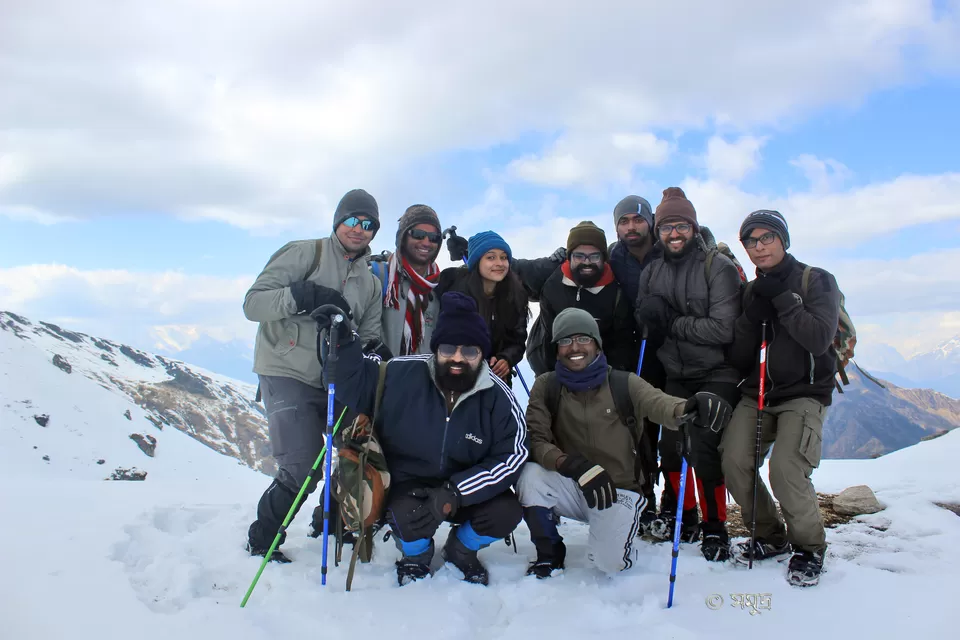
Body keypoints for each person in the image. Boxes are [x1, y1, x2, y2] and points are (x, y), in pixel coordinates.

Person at [316, 291, 528, 586]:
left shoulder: (497, 395)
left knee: (506, 512)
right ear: (436, 348)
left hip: (468, 489)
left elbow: (513, 454)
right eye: (448, 349)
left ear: (481, 354)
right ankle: (415, 556)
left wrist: (456, 492)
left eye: (469, 351)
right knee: (403, 514)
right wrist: (343, 342)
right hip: (411, 487)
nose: (457, 358)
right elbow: (353, 382)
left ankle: (462, 550)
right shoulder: (400, 372)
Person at [518, 308, 732, 577]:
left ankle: (621, 538)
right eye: (565, 341)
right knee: (529, 475)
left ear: (597, 344)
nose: (575, 347)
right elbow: (536, 440)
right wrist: (571, 465)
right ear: (556, 348)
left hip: (618, 491)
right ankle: (549, 552)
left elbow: (660, 403)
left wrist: (690, 407)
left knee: (608, 564)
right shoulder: (546, 386)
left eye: (583, 339)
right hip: (574, 482)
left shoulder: (623, 383)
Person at [241, 188, 384, 563]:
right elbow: (253, 304)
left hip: (336, 379)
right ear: (338, 221)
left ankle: (337, 522)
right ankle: (263, 538)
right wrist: (301, 296)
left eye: (368, 224)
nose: (359, 229)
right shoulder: (306, 253)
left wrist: (376, 354)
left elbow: (368, 338)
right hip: (287, 369)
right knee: (303, 463)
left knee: (364, 447)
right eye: (352, 220)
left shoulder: (370, 282)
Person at [720, 210, 841, 587]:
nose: (759, 247)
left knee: (786, 469)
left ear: (783, 240)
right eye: (750, 241)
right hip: (757, 392)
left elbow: (819, 339)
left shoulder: (815, 280)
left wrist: (785, 301)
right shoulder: (752, 291)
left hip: (804, 393)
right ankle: (769, 535)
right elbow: (741, 356)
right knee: (735, 461)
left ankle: (809, 547)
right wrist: (748, 320)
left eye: (766, 238)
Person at [634, 187, 742, 562]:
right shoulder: (652, 271)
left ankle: (716, 527)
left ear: (694, 228)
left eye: (681, 226)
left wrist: (671, 322)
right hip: (675, 372)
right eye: (666, 227)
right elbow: (646, 323)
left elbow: (723, 330)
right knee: (671, 449)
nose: (674, 234)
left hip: (718, 372)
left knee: (704, 447)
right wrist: (646, 316)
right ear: (657, 231)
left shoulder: (718, 268)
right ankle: (687, 515)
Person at [607, 195, 667, 525]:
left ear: (650, 222)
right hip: (634, 353)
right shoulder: (614, 257)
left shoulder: (668, 250)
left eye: (637, 219)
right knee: (638, 432)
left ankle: (675, 503)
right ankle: (644, 500)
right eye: (624, 221)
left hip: (672, 354)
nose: (631, 226)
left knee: (669, 431)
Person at [534, 221, 638, 375]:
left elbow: (621, 345)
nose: (587, 262)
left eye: (594, 256)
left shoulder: (616, 293)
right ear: (569, 257)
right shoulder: (553, 285)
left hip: (602, 369)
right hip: (556, 366)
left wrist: (611, 381)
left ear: (604, 258)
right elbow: (550, 337)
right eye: (579, 256)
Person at [434, 231, 529, 386]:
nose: (499, 263)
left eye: (504, 257)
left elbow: (517, 340)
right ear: (477, 261)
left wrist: (506, 358)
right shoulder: (456, 290)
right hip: (457, 371)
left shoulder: (516, 295)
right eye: (491, 257)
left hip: (495, 378)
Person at [369, 204, 444, 358]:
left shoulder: (441, 286)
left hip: (422, 378)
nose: (426, 242)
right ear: (402, 237)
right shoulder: (378, 276)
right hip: (381, 376)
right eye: (418, 234)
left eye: (434, 237)